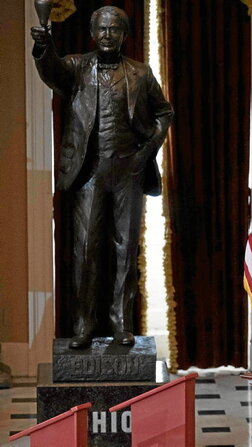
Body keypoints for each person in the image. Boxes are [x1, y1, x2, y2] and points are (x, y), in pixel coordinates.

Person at [30, 6, 173, 349]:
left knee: (126, 250)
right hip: (89, 174)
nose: (108, 35)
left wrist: (147, 150)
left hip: (129, 171)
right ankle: (84, 326)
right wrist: (44, 45)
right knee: (85, 250)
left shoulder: (140, 72)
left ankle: (121, 323)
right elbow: (52, 72)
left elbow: (164, 112)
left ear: (125, 34)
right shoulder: (77, 68)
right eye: (102, 30)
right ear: (93, 34)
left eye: (115, 29)